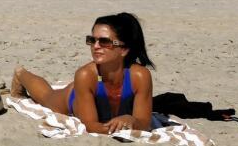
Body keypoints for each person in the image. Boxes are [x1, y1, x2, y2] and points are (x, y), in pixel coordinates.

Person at [9, 12, 154, 134]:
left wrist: (132, 121)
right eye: (92, 40)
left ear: (124, 49)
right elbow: (91, 126)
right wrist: (116, 128)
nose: (95, 46)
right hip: (74, 98)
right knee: (47, 97)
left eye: (104, 42)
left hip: (95, 86)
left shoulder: (140, 77)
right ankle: (21, 74)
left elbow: (144, 123)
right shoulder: (85, 75)